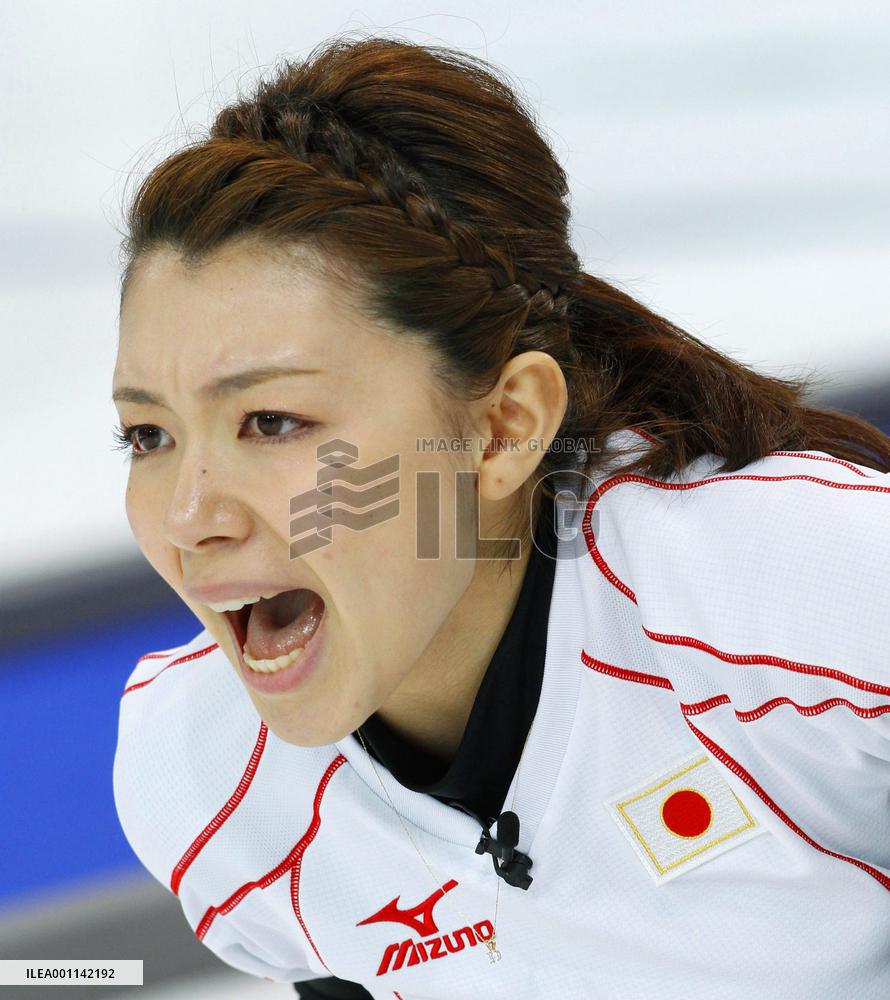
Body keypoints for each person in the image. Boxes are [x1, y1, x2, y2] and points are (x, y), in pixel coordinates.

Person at [110, 34, 890, 1000]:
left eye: (273, 422)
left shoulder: (813, 600)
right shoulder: (205, 782)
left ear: (503, 427)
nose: (190, 518)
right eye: (147, 436)